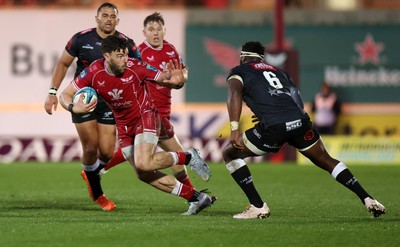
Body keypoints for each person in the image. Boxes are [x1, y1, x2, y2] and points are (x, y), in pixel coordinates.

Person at [222, 41, 386, 219]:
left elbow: (234, 93)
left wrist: (234, 129)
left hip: (274, 127)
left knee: (230, 154)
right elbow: (295, 96)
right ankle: (368, 198)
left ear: (243, 57)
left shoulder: (239, 71)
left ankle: (258, 206)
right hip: (300, 121)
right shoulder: (279, 72)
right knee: (326, 159)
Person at [59, 35, 216, 215]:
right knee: (143, 174)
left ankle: (188, 157)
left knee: (144, 163)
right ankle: (196, 197)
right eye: (119, 56)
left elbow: (167, 80)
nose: (125, 59)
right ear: (106, 56)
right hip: (124, 126)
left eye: (126, 54)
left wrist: (179, 80)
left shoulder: (136, 67)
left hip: (145, 116)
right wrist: (73, 107)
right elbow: (65, 95)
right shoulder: (94, 71)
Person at [101, 12, 202, 215]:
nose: (155, 33)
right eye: (151, 29)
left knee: (153, 162)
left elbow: (180, 78)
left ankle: (195, 195)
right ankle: (195, 194)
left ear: (164, 30)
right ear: (144, 32)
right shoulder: (138, 53)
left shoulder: (172, 51)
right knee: (147, 160)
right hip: (147, 112)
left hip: (163, 111)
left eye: (158, 29)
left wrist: (181, 78)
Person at [44, 2, 141, 211]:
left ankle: (89, 172)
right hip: (84, 99)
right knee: (90, 147)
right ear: (96, 18)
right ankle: (98, 194)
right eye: (104, 15)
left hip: (110, 101)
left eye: (112, 16)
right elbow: (63, 63)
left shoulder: (126, 44)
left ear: (117, 20)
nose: (108, 19)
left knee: (106, 153)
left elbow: (139, 72)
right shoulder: (81, 39)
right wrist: (53, 92)